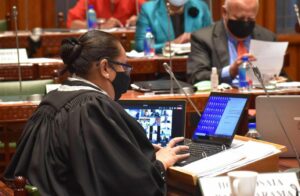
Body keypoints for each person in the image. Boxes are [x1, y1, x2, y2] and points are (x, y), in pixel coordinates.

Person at [4, 30, 190, 196]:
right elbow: (129, 186)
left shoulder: (51, 99)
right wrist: (160, 164)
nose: (127, 74)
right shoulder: (93, 108)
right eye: (124, 66)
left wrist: (136, 154)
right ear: (104, 68)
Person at [187, 0, 276, 85]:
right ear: (225, 12)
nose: (245, 23)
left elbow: (279, 76)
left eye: (250, 19)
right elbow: (196, 76)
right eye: (240, 18)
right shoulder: (203, 38)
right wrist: (230, 72)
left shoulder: (267, 38)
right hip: (224, 98)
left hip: (259, 97)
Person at [135, 0, 212, 53]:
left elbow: (212, 39)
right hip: (162, 70)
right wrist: (171, 45)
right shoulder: (149, 10)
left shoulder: (201, 7)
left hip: (196, 66)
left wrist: (196, 39)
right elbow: (141, 46)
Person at [67, 0, 146, 29]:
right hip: (98, 44)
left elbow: (149, 15)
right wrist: (100, 26)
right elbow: (72, 23)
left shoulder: (135, 1)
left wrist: (140, 19)